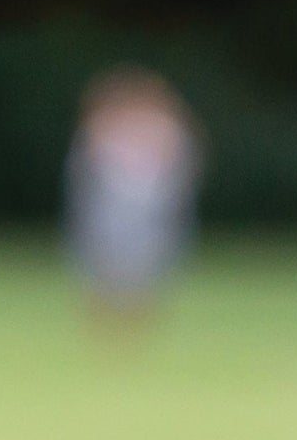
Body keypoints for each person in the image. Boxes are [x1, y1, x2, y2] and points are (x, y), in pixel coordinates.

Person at [64, 68, 201, 322]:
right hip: (111, 209)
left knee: (147, 265)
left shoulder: (165, 129)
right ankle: (105, 317)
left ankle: (136, 317)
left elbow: (182, 167)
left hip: (152, 210)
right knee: (105, 265)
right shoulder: (101, 127)